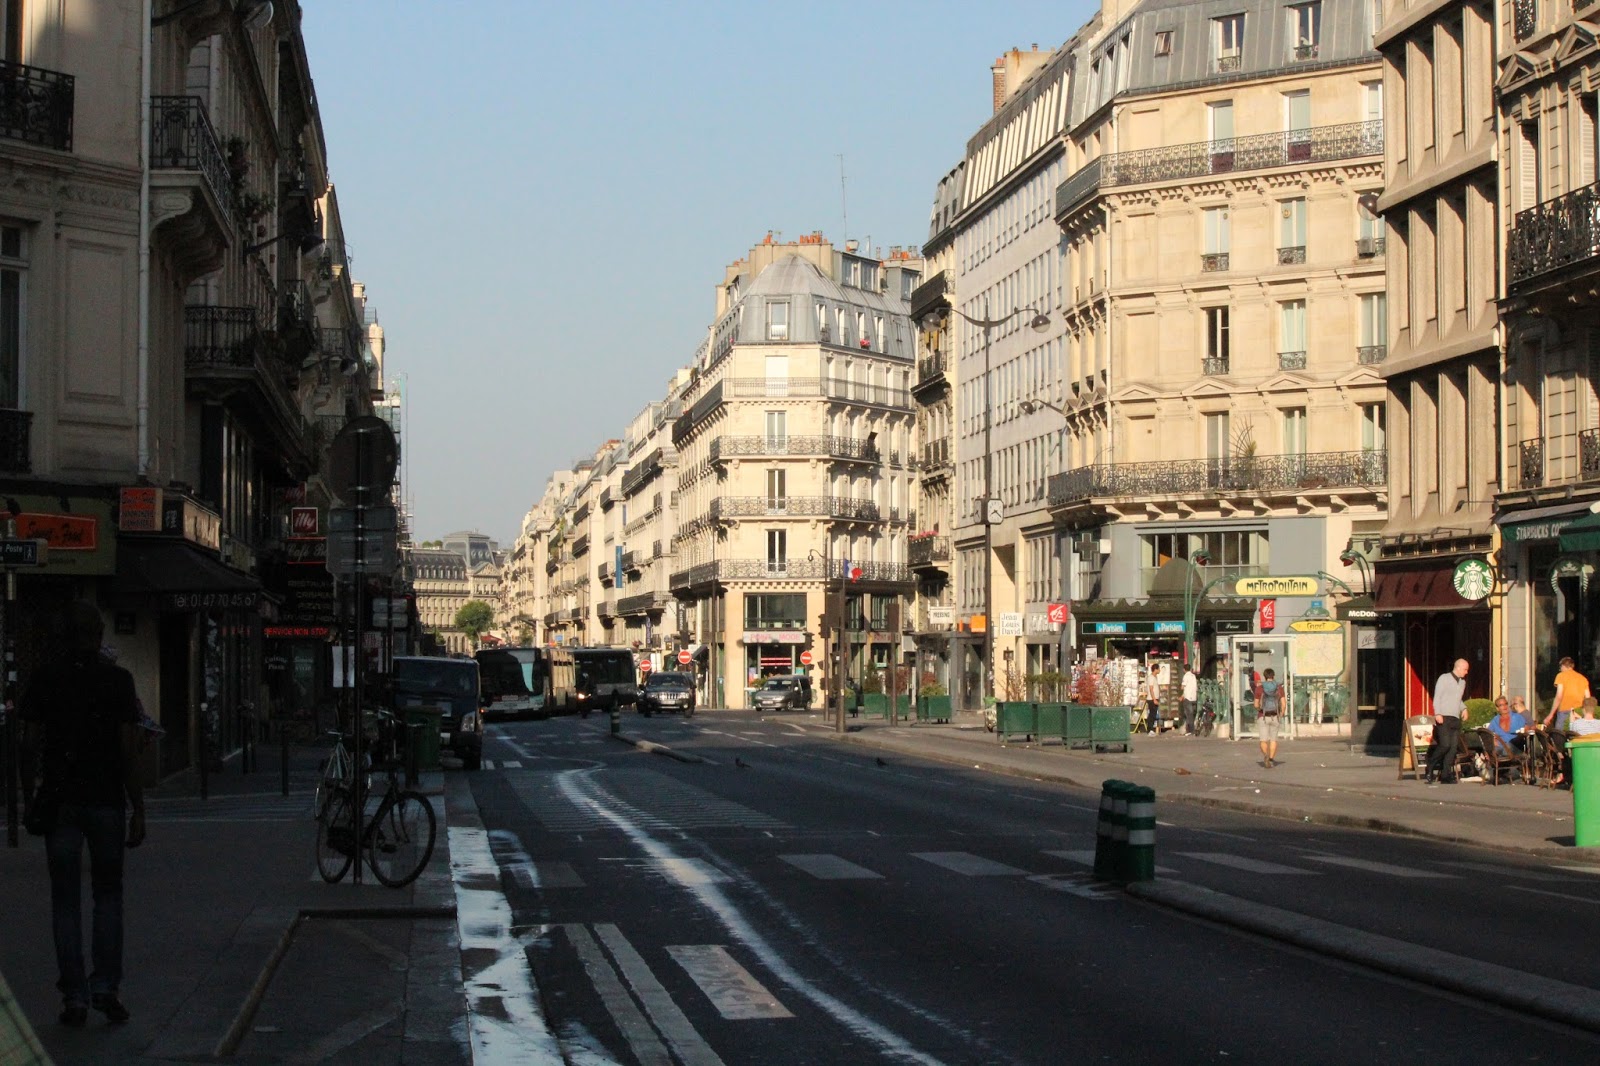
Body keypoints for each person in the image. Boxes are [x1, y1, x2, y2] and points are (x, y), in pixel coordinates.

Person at [19, 602, 146, 1028]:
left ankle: (74, 996)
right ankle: (105, 987)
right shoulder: (118, 681)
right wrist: (138, 808)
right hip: (106, 800)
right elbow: (128, 750)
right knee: (108, 895)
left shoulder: (45, 680)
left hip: (60, 802)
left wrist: (28, 796)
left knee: (65, 901)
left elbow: (29, 742)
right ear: (98, 634)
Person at [1425, 657, 1470, 785]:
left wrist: (1464, 708)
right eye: (1465, 669)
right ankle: (1430, 766)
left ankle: (1445, 775)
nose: (1466, 672)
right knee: (1445, 745)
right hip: (1444, 716)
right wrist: (1437, 713)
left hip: (1455, 717)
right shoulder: (1444, 678)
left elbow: (1457, 699)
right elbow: (1437, 696)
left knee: (1453, 748)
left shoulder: (1462, 682)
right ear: (1459, 667)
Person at [1544, 656, 1590, 733]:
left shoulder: (1561, 676)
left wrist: (1550, 715)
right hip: (1578, 712)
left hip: (1564, 711)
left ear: (1563, 666)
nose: (1560, 669)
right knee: (1576, 735)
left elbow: (1559, 696)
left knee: (1560, 737)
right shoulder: (1583, 678)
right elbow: (1588, 698)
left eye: (1560, 667)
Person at [1257, 668, 1284, 768]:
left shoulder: (1260, 688)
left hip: (1263, 716)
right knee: (1273, 740)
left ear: (1264, 676)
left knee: (1263, 740)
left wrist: (1259, 708)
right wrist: (1281, 714)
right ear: (1273, 676)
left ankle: (1266, 755)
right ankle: (1271, 759)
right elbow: (1283, 703)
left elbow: (1256, 704)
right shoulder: (1279, 687)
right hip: (1275, 715)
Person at [1180, 664, 1198, 736]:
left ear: (1184, 669)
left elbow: (1182, 687)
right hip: (1194, 697)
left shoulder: (1185, 676)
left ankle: (1191, 730)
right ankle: (1190, 729)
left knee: (1188, 714)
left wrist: (1181, 688)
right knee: (1192, 714)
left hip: (1188, 698)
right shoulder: (1193, 676)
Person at [1145, 664, 1163, 733]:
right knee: (1152, 714)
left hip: (1155, 698)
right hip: (1152, 699)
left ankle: (1151, 728)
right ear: (1155, 669)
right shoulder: (1151, 677)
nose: (1159, 670)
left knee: (1154, 714)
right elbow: (1151, 689)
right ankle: (1150, 729)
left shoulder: (1155, 677)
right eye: (1158, 669)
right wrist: (1154, 699)